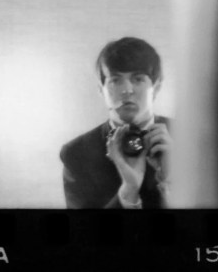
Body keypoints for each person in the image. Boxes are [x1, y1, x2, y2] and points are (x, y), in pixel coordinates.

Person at [60, 37, 172, 209]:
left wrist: (173, 178)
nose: (127, 90)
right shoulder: (77, 154)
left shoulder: (189, 139)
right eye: (115, 80)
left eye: (138, 79)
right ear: (101, 90)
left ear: (156, 88)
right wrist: (128, 190)